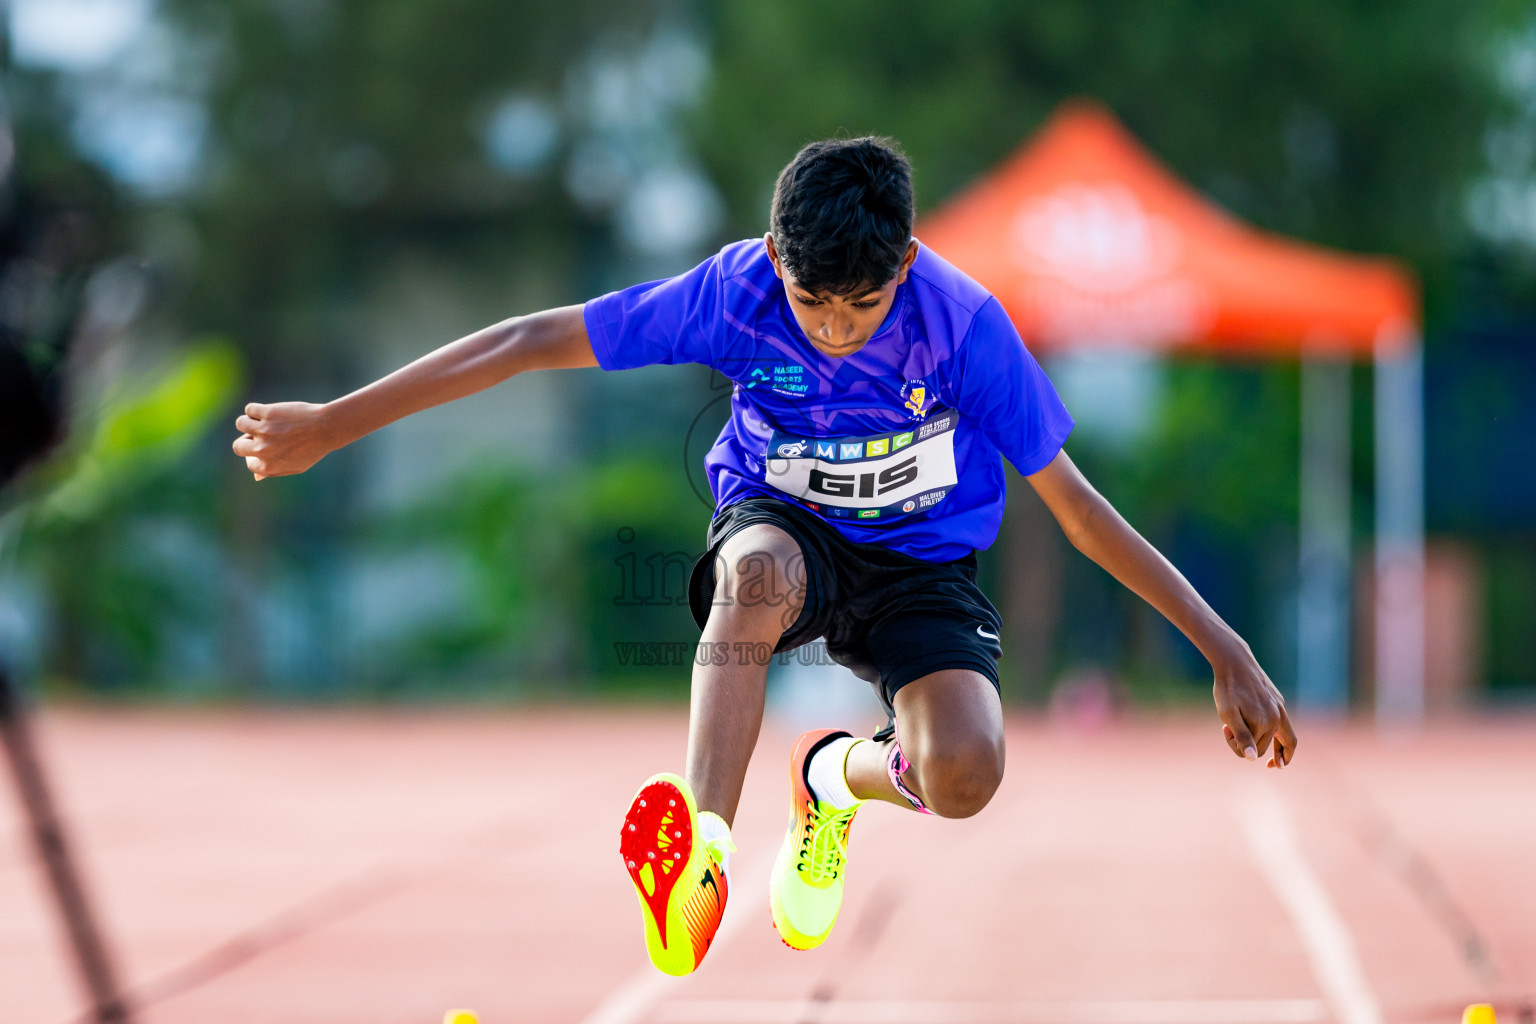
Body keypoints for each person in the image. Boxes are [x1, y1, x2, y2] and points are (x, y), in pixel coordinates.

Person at [232, 136, 1297, 977]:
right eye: (813, 302)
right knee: (757, 577)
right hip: (780, 524)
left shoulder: (965, 328)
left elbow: (1075, 505)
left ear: (908, 264)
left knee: (968, 772)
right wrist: (334, 422)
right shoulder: (733, 293)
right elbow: (529, 338)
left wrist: (1222, 642)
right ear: (776, 260)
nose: (836, 329)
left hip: (922, 565)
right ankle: (699, 844)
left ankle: (833, 777)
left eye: (864, 304)